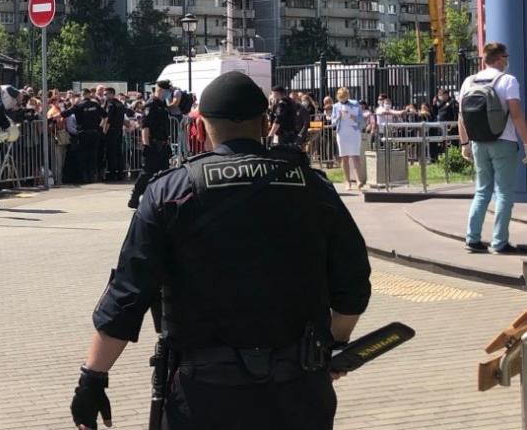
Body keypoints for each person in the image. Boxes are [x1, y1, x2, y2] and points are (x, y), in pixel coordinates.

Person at [70, 71, 372, 430]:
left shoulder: (171, 191)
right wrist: (331, 348)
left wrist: (93, 379)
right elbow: (354, 283)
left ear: (202, 126)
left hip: (203, 394)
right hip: (298, 389)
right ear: (264, 122)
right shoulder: (312, 186)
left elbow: (128, 294)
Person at [458, 42, 527, 254]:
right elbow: (515, 114)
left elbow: (461, 116)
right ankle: (499, 242)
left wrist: (465, 144)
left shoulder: (469, 81)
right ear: (499, 59)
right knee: (505, 193)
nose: (507, 60)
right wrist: (526, 143)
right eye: (505, 57)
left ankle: (472, 239)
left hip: (479, 143)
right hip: (503, 142)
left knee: (482, 191)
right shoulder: (508, 81)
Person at [128, 81, 172, 209]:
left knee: (165, 172)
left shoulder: (162, 104)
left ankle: (163, 197)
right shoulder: (151, 104)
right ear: (160, 90)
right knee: (147, 173)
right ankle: (134, 198)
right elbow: (145, 127)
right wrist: (146, 145)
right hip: (153, 144)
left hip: (162, 144)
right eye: (167, 90)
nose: (168, 93)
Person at [61, 89, 107, 184]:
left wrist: (55, 116)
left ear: (82, 95)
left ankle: (84, 177)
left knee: (83, 155)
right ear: (89, 95)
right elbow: (105, 115)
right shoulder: (95, 105)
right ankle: (92, 176)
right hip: (95, 133)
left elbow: (66, 113)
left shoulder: (79, 105)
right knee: (93, 155)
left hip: (83, 133)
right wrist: (100, 127)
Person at [331, 87, 365, 191]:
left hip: (354, 132)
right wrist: (339, 117)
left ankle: (359, 180)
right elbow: (332, 122)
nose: (342, 100)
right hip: (342, 133)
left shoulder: (355, 103)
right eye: (340, 98)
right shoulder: (336, 106)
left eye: (344, 97)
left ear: (347, 96)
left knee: (355, 156)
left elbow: (362, 121)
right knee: (344, 157)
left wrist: (353, 117)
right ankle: (348, 182)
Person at [102, 88, 133, 182]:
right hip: (119, 131)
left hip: (111, 131)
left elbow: (108, 119)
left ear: (111, 94)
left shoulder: (110, 104)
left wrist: (104, 131)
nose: (105, 96)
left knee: (111, 153)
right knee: (119, 153)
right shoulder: (120, 104)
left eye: (106, 94)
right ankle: (120, 173)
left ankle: (112, 175)